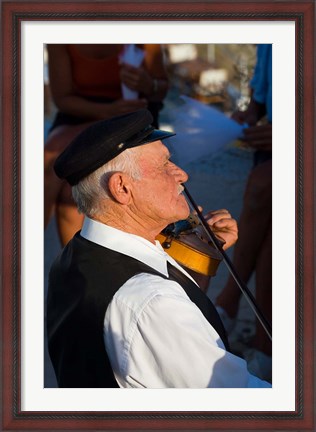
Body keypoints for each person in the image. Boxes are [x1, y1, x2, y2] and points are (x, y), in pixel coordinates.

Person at [46, 108, 271, 388]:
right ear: (122, 188)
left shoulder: (75, 254)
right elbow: (244, 401)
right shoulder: (152, 303)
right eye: (165, 165)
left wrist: (202, 259)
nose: (182, 175)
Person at [44, 44, 169, 246]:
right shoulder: (61, 35)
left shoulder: (142, 33)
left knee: (68, 187)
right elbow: (63, 99)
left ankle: (67, 268)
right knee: (51, 162)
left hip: (133, 115)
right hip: (82, 112)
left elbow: (161, 88)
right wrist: (108, 111)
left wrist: (148, 84)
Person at [215, 44, 272, 381]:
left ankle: (229, 299)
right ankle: (265, 344)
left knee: (263, 186)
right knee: (272, 228)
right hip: (272, 141)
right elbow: (262, 90)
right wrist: (250, 112)